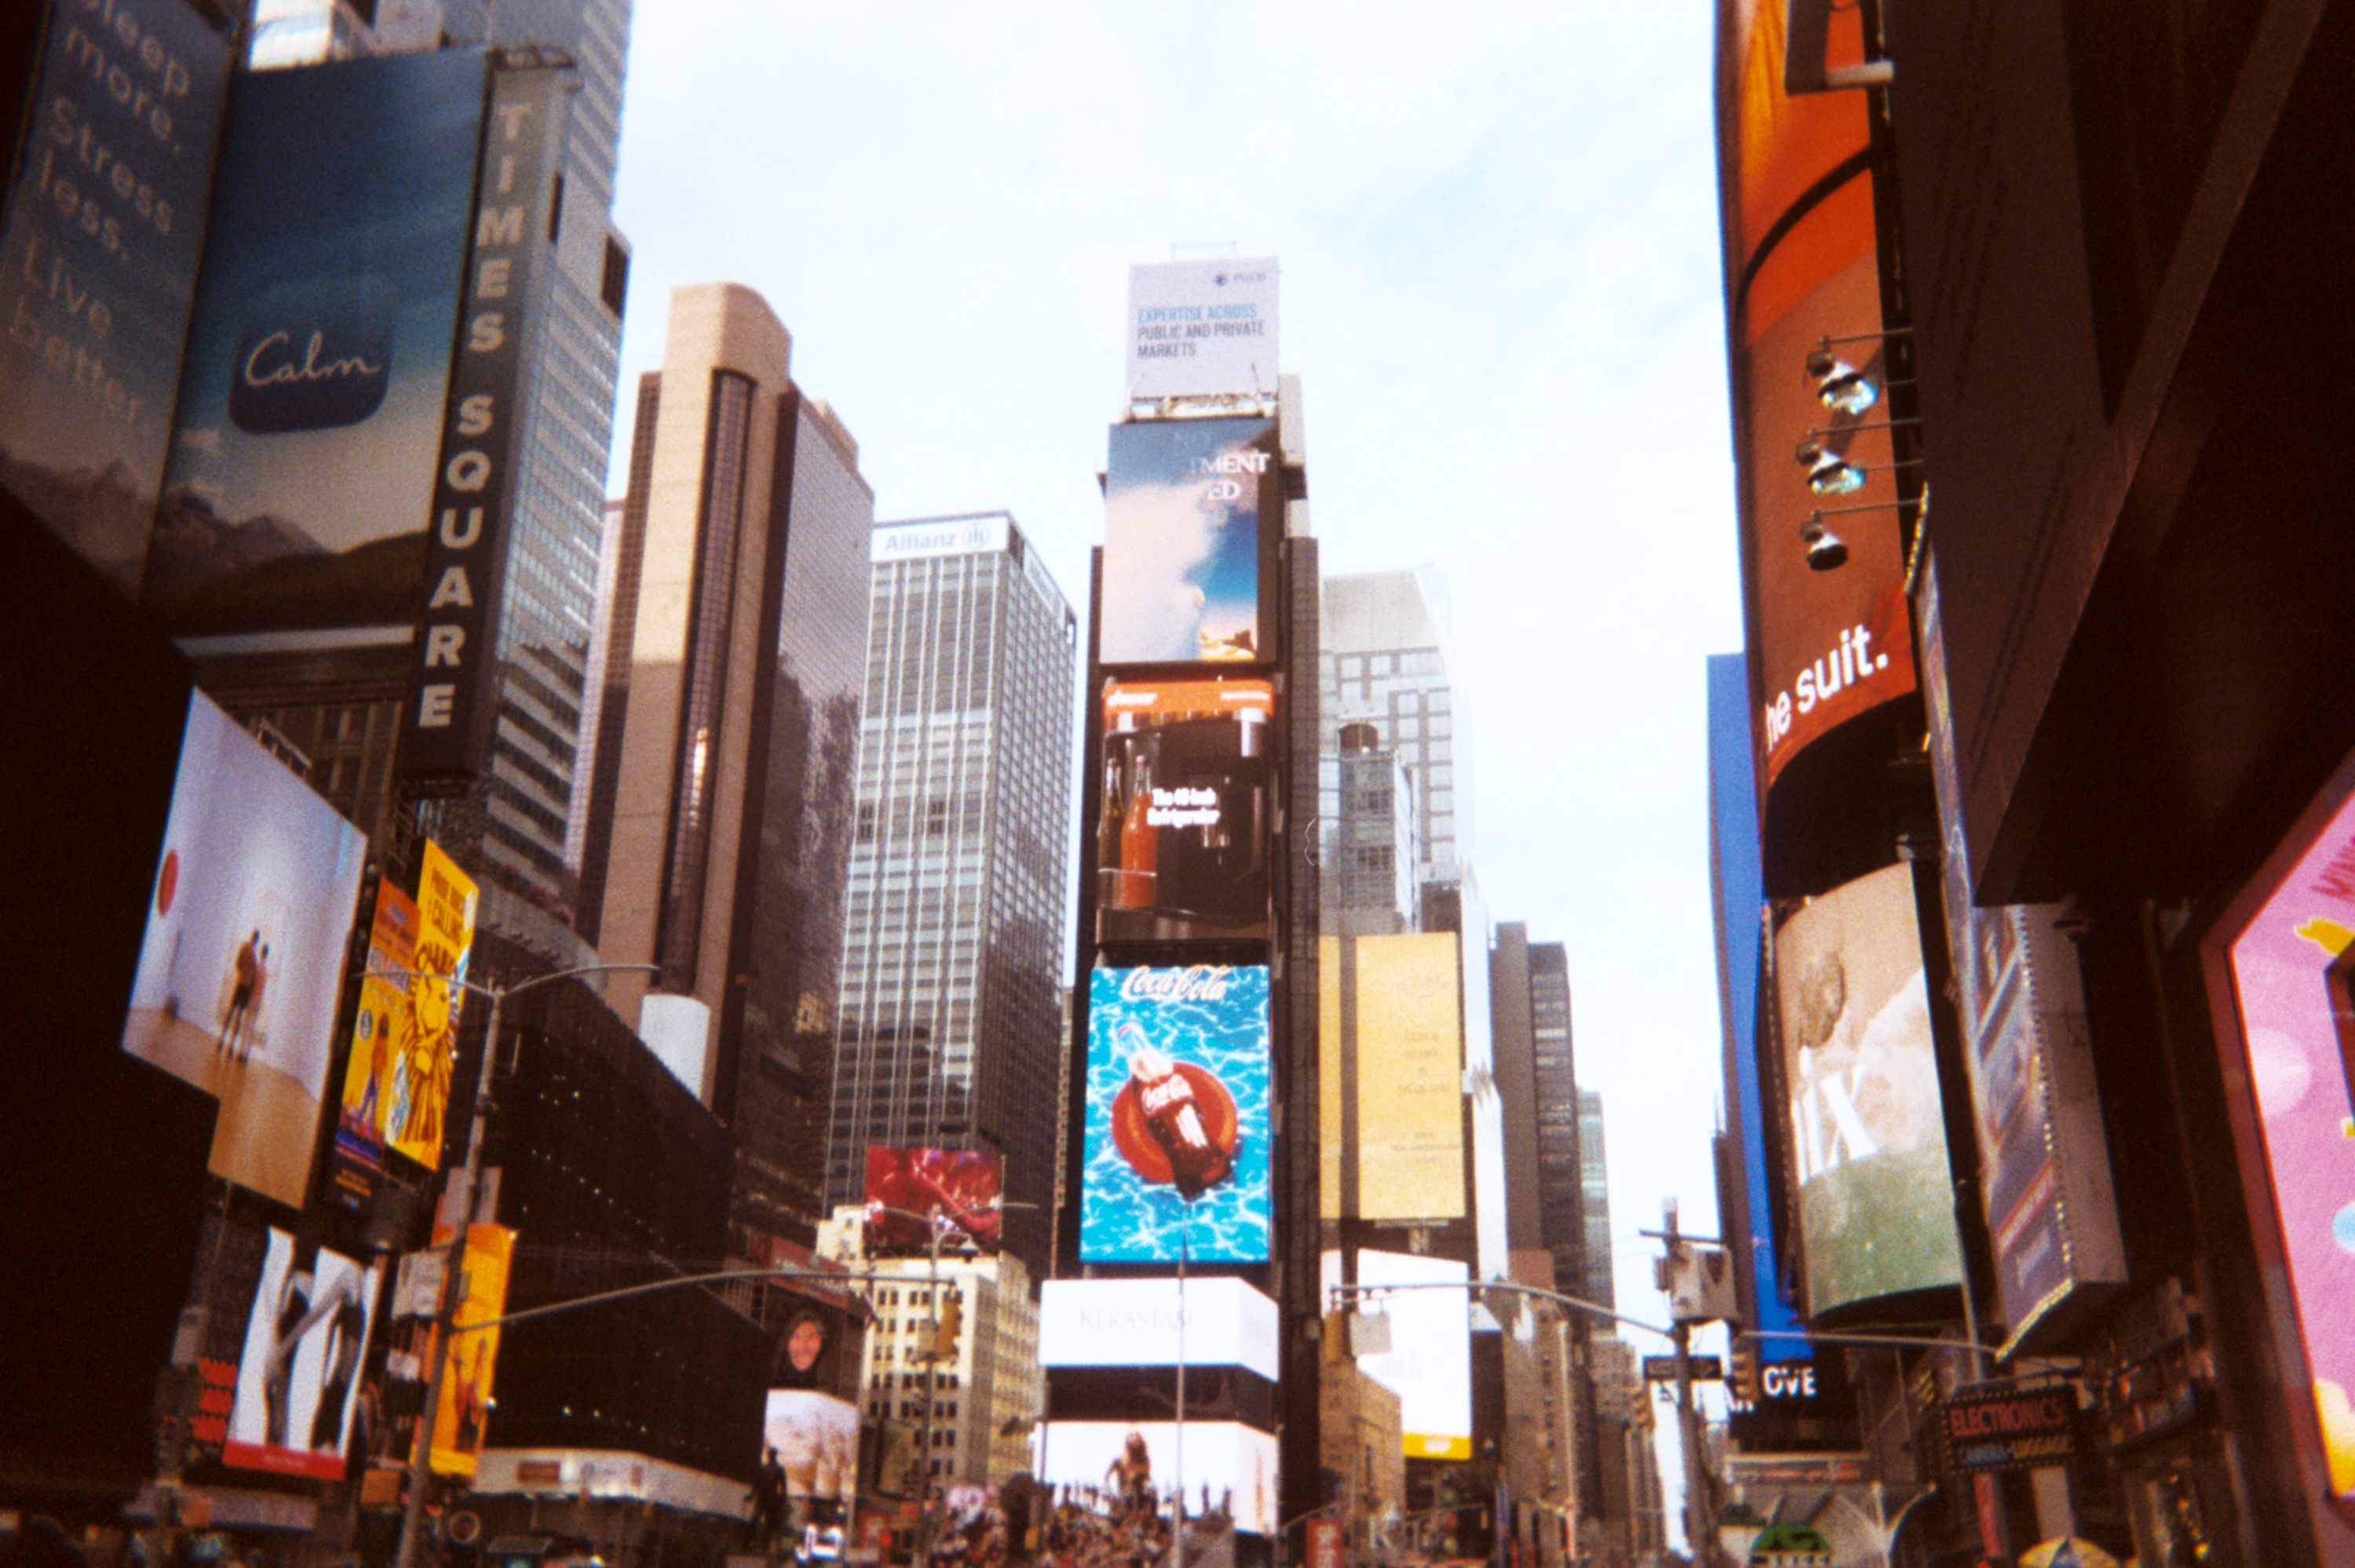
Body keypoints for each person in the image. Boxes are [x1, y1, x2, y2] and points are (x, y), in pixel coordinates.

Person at [217, 932, 259, 1056]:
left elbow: (238, 963)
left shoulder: (244, 947)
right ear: (256, 940)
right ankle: (231, 1046)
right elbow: (253, 976)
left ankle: (221, 1040)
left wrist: (241, 974)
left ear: (251, 936)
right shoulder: (253, 956)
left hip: (239, 983)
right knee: (239, 1016)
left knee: (231, 1012)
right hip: (245, 988)